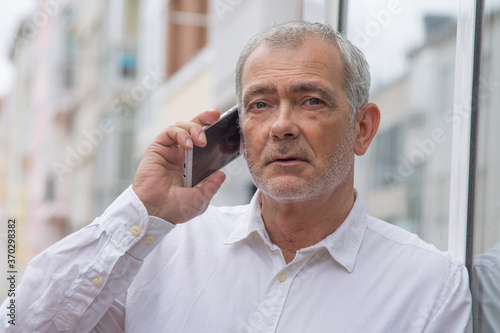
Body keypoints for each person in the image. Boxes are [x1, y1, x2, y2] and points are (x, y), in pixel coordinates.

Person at [1, 21, 471, 332]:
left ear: (362, 128)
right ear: (237, 130)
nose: (282, 125)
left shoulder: (429, 285)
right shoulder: (159, 248)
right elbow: (24, 321)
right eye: (260, 104)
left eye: (311, 100)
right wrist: (141, 210)